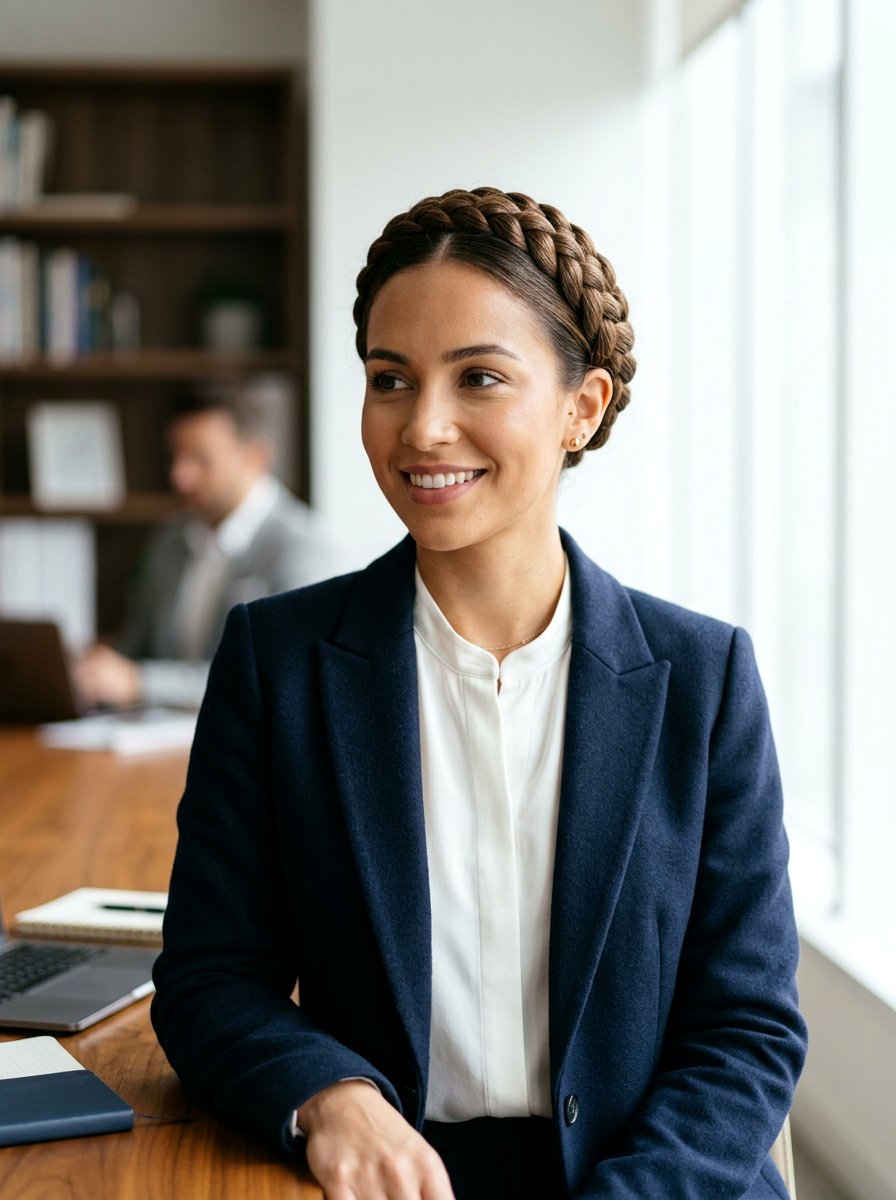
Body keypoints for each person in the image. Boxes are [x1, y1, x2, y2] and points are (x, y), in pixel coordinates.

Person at [152, 187, 807, 1199]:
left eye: (480, 378)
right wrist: (330, 1094)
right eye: (389, 379)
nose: (423, 428)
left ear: (579, 410)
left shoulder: (701, 680)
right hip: (390, 1176)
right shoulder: (275, 661)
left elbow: (745, 1023)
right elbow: (209, 978)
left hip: (653, 1178)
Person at [73, 387, 346, 710]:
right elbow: (136, 648)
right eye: (175, 456)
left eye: (200, 459)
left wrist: (140, 683)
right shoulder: (169, 541)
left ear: (256, 457)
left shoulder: (305, 550)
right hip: (150, 743)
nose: (179, 475)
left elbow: (279, 677)